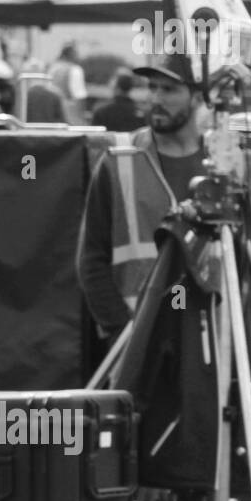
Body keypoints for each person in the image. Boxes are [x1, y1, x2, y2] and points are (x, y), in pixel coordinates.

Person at [77, 50, 207, 338]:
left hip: (209, 339)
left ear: (198, 97)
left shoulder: (221, 164)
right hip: (138, 342)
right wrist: (120, 330)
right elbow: (91, 259)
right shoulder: (119, 160)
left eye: (169, 89)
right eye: (152, 87)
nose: (156, 99)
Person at [49, 42, 88, 124]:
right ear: (72, 54)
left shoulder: (53, 68)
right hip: (71, 118)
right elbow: (79, 97)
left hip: (53, 117)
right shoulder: (75, 69)